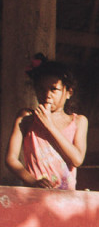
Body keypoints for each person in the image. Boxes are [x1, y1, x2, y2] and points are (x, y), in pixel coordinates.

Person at [5, 56, 88, 190]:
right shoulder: (26, 118)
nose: (47, 94)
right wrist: (33, 182)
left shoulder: (79, 121)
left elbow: (77, 160)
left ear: (69, 92)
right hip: (34, 194)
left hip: (65, 199)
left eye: (54, 89)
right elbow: (11, 159)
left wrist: (49, 125)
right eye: (41, 89)